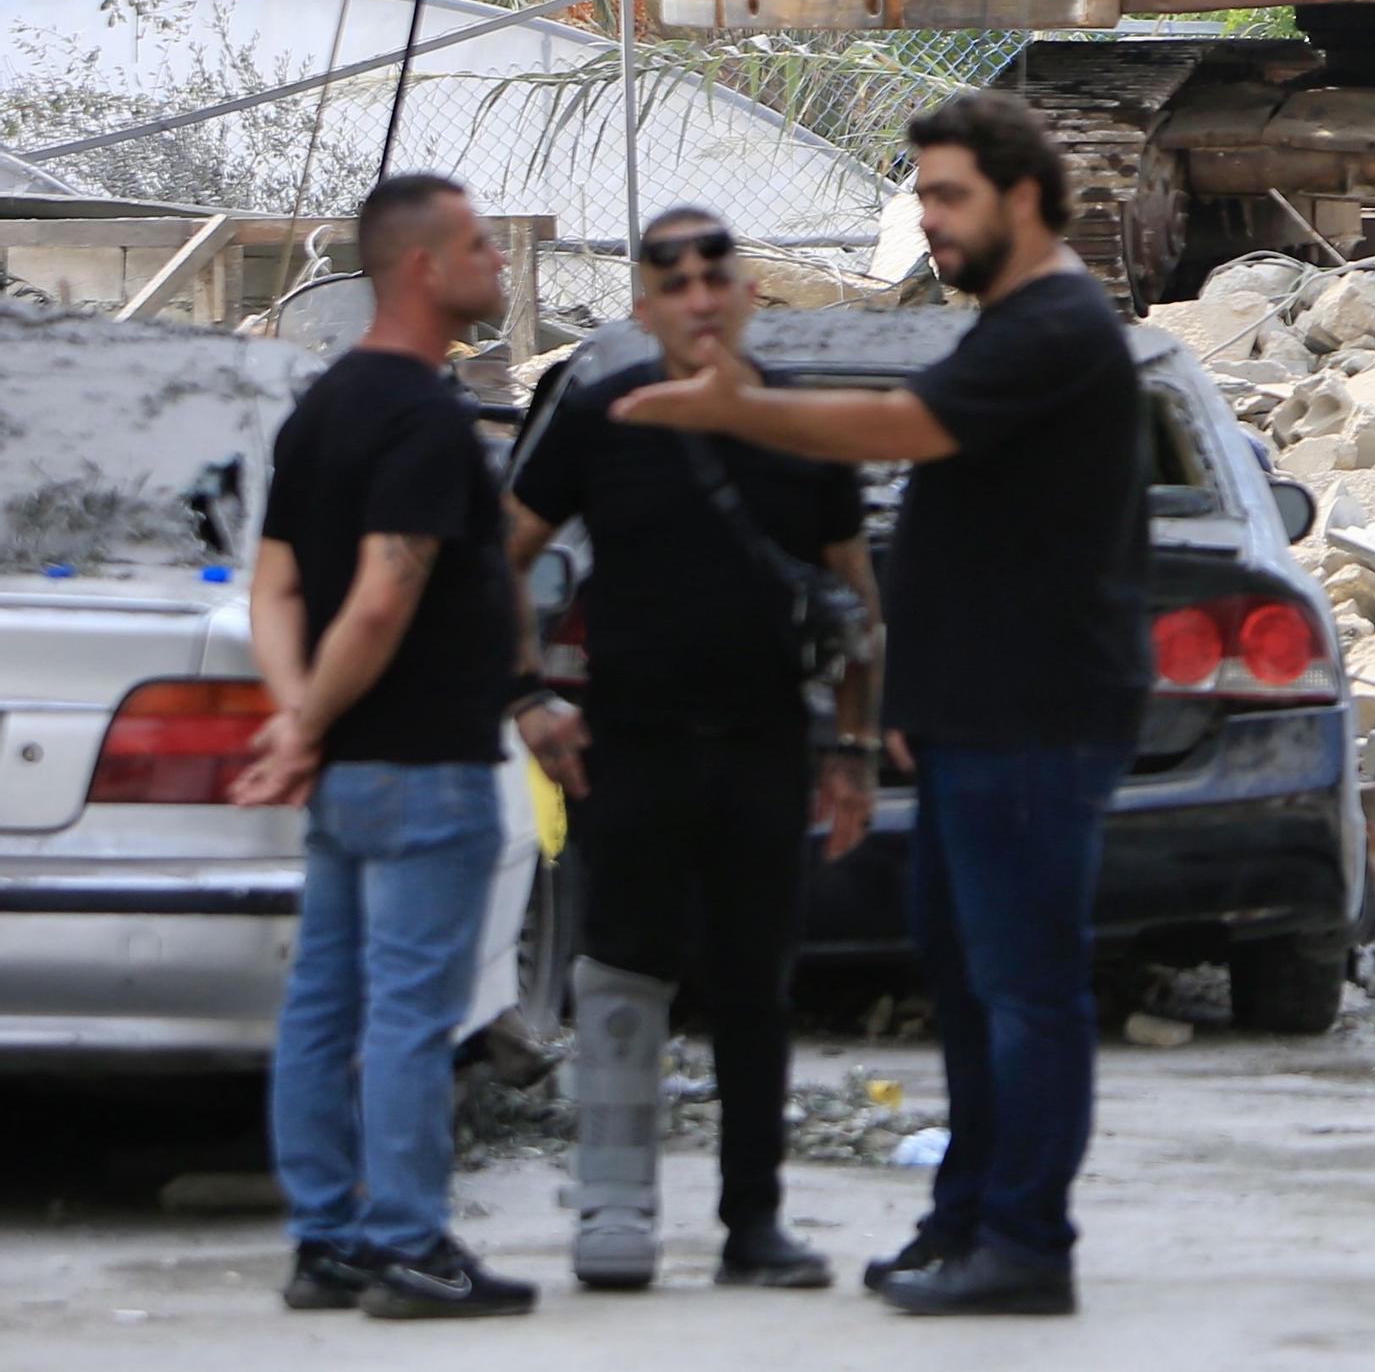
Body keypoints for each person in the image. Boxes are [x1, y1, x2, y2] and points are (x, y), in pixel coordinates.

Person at [617, 92, 1147, 1317]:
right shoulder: (1009, 324)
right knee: (966, 985)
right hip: (973, 718)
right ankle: (965, 1219)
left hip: (1032, 719)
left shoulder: (1056, 326)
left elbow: (904, 426)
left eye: (949, 196)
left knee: (1026, 989)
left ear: (1023, 197)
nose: (930, 220)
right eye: (921, 197)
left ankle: (1026, 1244)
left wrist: (739, 409)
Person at [506, 208, 884, 1291]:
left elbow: (858, 602)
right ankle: (614, 1212)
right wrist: (526, 697)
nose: (700, 299)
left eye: (716, 278)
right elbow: (502, 554)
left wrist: (853, 752)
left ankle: (752, 1226)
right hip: (631, 750)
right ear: (644, 308)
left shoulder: (800, 424)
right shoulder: (600, 414)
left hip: (765, 750)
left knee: (756, 988)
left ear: (749, 294)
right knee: (623, 977)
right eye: (673, 284)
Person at [243, 174, 577, 1318]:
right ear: (425, 267)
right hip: (425, 768)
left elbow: (276, 589)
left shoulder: (322, 407)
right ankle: (407, 1246)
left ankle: (325, 1242)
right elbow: (384, 596)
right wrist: (306, 724)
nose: (499, 260)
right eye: (481, 244)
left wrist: (301, 720)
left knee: (322, 1007)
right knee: (409, 1015)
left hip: (345, 775)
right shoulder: (426, 419)